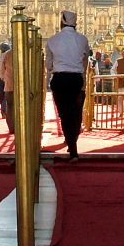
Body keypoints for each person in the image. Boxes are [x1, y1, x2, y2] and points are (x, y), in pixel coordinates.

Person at [44, 10, 89, 161]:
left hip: (60, 79)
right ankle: (73, 145)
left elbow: (48, 64)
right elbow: (85, 61)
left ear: (62, 22)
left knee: (64, 114)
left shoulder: (52, 40)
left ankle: (72, 146)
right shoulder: (82, 39)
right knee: (76, 113)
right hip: (76, 79)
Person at [0, 42, 15, 134]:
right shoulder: (26, 53)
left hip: (9, 84)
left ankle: (11, 128)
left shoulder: (7, 54)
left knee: (10, 107)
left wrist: (5, 79)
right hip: (22, 86)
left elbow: (2, 71)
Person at [0, 42, 11, 118]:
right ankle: (5, 109)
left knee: (2, 95)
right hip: (7, 78)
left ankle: (2, 108)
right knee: (6, 95)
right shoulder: (9, 56)